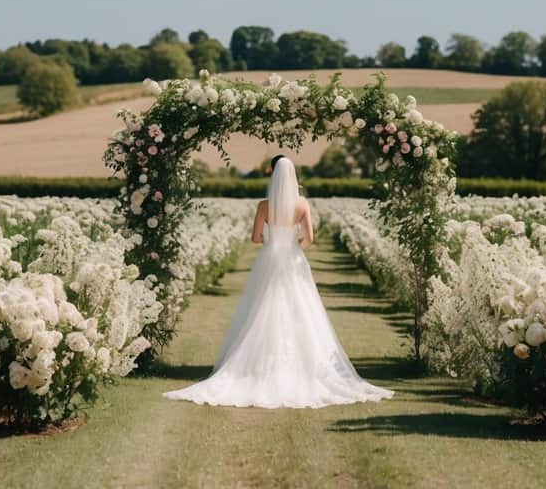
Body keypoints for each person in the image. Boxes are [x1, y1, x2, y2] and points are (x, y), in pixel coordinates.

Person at [163, 154, 394, 408]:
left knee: (262, 307)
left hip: (270, 258)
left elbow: (254, 238)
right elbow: (309, 238)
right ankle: (300, 366)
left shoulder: (264, 205)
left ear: (272, 175)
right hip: (293, 260)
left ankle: (256, 364)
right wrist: (294, 246)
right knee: (300, 308)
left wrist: (272, 242)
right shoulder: (302, 204)